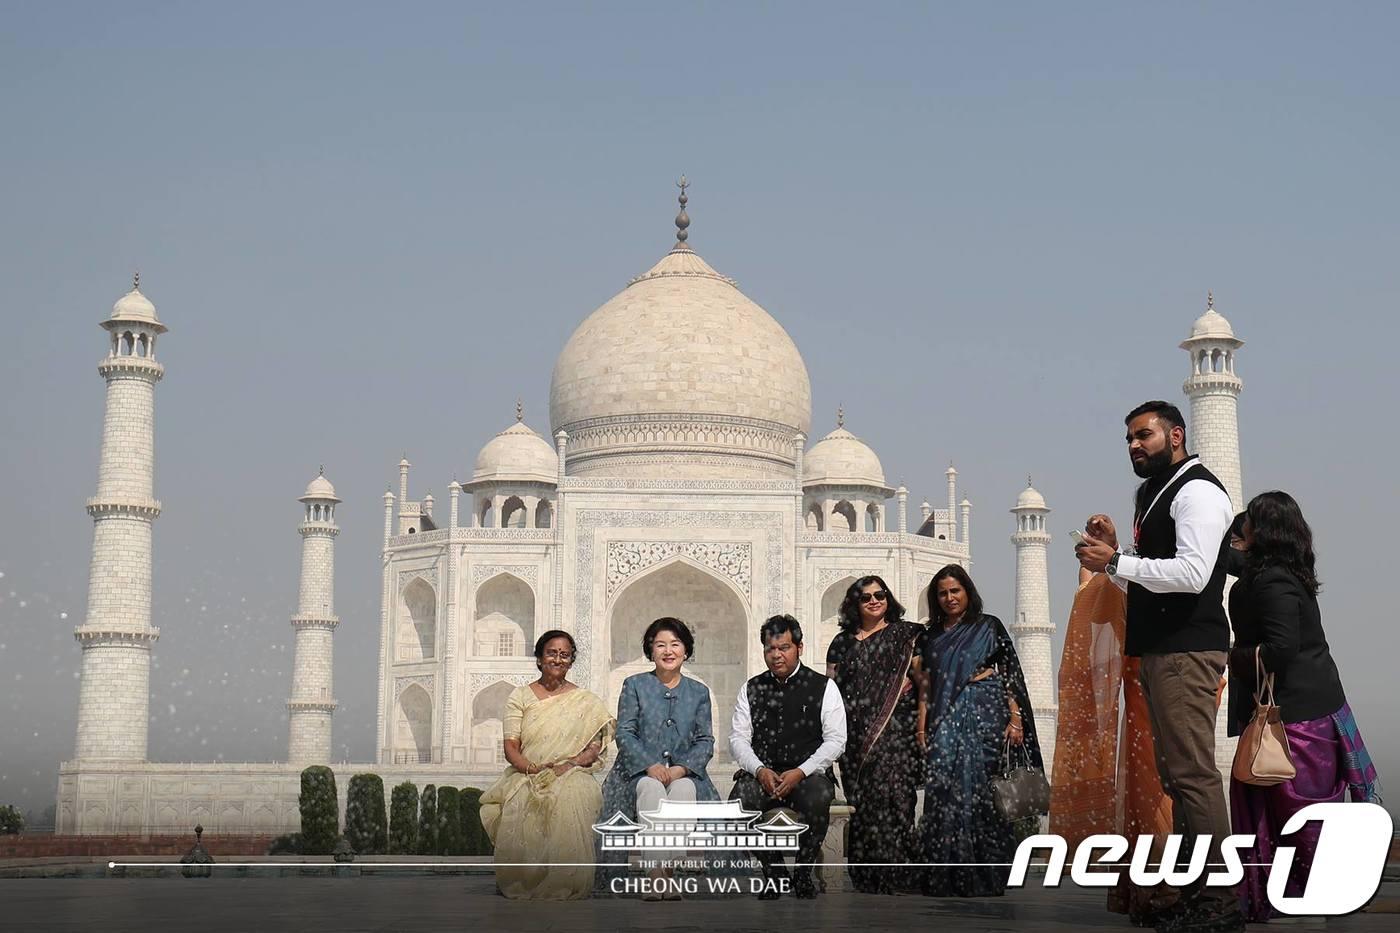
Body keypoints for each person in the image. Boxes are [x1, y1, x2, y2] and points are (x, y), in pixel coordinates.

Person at [1076, 399, 1245, 933]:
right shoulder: (1153, 493)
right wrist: (1116, 552)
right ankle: (1196, 890)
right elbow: (1151, 576)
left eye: (1143, 435)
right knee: (1177, 774)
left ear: (1176, 435)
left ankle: (1219, 897)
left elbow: (1194, 574)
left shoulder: (1197, 490)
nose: (1134, 445)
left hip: (1187, 649)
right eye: (1128, 438)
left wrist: (1117, 561)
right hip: (1158, 649)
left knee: (1193, 774)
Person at [1226, 491, 1380, 922]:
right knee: (1294, 809)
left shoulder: (1271, 580)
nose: (1242, 530)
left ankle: (1328, 889)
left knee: (1302, 812)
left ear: (1263, 531)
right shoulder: (1280, 572)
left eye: (1249, 523)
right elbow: (1228, 560)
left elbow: (1281, 647)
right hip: (1306, 707)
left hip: (1296, 716)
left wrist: (1231, 657)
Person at [1050, 567, 1178, 923]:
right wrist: (1099, 576)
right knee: (1143, 791)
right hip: (1143, 691)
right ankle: (1151, 890)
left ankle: (1171, 888)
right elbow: (1104, 609)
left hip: (1167, 682)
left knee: (1161, 790)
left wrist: (1107, 570)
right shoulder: (1137, 571)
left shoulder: (1178, 564)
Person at [917, 564, 1042, 898]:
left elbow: (1010, 672)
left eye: (954, 591)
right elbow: (926, 686)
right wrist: (921, 730)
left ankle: (987, 875)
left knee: (984, 794)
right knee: (944, 791)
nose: (949, 598)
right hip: (945, 717)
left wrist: (1015, 718)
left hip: (986, 712)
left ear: (967, 592)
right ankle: (946, 876)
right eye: (942, 593)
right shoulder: (929, 636)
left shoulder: (988, 626)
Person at [479, 630, 614, 900]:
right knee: (522, 798)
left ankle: (564, 879)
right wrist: (532, 770)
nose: (558, 659)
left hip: (573, 771)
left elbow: (594, 747)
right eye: (551, 653)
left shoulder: (586, 701)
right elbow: (511, 747)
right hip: (528, 770)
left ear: (571, 661)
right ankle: (526, 878)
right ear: (539, 658)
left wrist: (570, 764)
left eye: (565, 655)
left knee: (572, 794)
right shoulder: (520, 696)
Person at [598, 617, 719, 900]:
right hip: (638, 773)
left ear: (685, 651)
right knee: (651, 789)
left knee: (685, 790)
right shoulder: (635, 685)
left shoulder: (698, 692)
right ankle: (656, 875)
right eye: (660, 645)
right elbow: (625, 733)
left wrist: (680, 769)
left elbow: (705, 740)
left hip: (683, 772)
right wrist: (649, 764)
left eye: (675, 644)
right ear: (650, 650)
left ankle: (667, 870)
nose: (668, 651)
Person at [730, 614, 847, 900]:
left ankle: (803, 873)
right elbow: (738, 739)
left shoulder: (823, 687)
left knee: (818, 796)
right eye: (771, 648)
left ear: (800, 647)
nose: (777, 655)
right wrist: (759, 770)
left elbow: (836, 740)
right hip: (763, 774)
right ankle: (775, 872)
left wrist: (801, 771)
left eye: (784, 647)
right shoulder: (752, 688)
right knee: (738, 805)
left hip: (808, 775)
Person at [825, 575, 923, 894]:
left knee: (896, 800)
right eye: (865, 597)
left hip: (897, 731)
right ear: (855, 603)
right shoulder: (842, 642)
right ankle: (867, 875)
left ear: (888, 598)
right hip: (855, 738)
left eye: (879, 595)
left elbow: (924, 681)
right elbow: (831, 692)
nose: (874, 601)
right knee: (863, 805)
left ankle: (898, 872)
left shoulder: (907, 634)